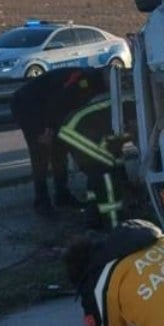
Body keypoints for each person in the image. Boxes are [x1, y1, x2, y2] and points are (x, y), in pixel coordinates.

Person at [10, 66, 106, 216]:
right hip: (28, 106)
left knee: (60, 151)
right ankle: (41, 202)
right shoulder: (83, 79)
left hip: (47, 107)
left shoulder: (92, 82)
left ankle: (62, 195)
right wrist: (47, 129)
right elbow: (58, 101)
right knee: (40, 155)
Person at [57, 93, 137, 230]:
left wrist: (122, 174)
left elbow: (115, 147)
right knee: (107, 176)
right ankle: (114, 226)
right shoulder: (137, 109)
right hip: (79, 131)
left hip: (77, 129)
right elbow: (136, 137)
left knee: (98, 176)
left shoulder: (131, 104)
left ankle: (93, 219)